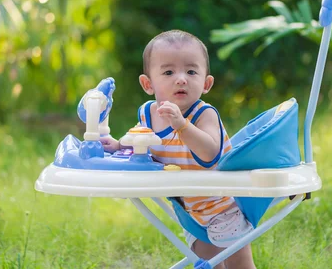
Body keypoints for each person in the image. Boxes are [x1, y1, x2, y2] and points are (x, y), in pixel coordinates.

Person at [101, 30, 256, 269]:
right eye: (168, 72)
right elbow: (141, 138)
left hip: (223, 208)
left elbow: (209, 153)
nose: (181, 79)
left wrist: (182, 125)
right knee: (208, 264)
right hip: (189, 212)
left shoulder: (204, 115)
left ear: (206, 83)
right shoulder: (148, 113)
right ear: (148, 84)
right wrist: (119, 144)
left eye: (191, 71)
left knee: (239, 267)